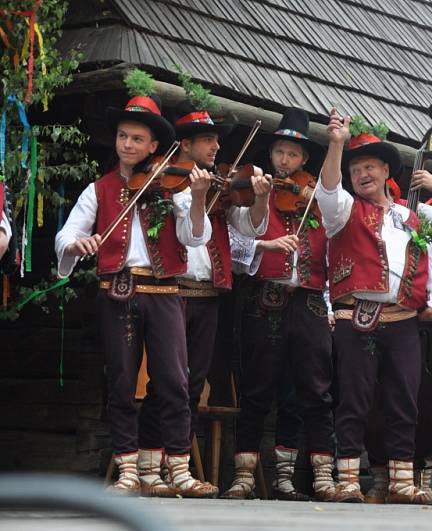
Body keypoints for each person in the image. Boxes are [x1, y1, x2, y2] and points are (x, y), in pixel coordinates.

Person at [54, 69, 215, 496]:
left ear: (154, 146)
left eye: (137, 139)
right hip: (118, 290)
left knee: (174, 382)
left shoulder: (172, 184)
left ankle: (174, 468)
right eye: (123, 137)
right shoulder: (99, 188)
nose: (128, 145)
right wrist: (78, 245)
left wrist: (198, 197)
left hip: (164, 291)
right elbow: (65, 237)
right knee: (122, 381)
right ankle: (128, 468)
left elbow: (194, 237)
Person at [135, 85, 271, 497]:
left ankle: (166, 466)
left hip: (208, 296)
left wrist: (260, 200)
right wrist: (196, 193)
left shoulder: (222, 185)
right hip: (171, 291)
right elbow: (186, 229)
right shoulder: (167, 179)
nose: (215, 146)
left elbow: (251, 227)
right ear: (187, 144)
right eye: (208, 140)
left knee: (192, 384)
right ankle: (149, 465)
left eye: (216, 140)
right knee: (167, 381)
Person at [318, 109, 432, 504]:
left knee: (404, 401)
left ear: (385, 171)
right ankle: (346, 480)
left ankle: (401, 483)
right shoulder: (342, 209)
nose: (363, 174)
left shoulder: (409, 216)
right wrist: (337, 144)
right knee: (354, 400)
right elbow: (327, 189)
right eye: (356, 168)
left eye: (370, 167)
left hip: (405, 321)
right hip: (355, 316)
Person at [221, 108, 338, 502]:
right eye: (279, 153)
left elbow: (334, 240)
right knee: (257, 387)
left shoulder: (319, 199)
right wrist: (259, 199)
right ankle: (244, 476)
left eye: (292, 154)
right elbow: (241, 239)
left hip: (308, 301)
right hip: (264, 296)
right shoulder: (257, 191)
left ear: (305, 159)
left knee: (310, 390)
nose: (283, 161)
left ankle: (307, 477)